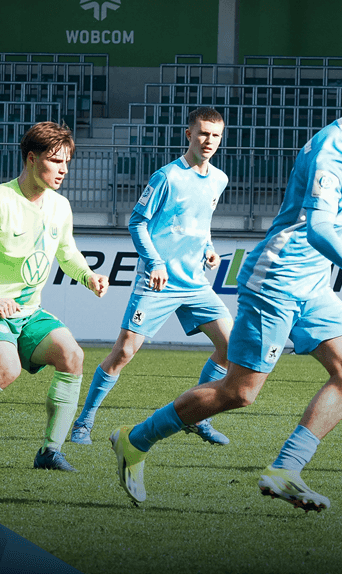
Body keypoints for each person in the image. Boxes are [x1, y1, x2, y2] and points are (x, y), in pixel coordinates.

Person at [108, 57, 342, 510]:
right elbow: (319, 230)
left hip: (311, 285)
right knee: (240, 392)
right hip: (277, 280)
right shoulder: (331, 152)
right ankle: (134, 441)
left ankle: (285, 469)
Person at [71, 107, 233, 446]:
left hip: (194, 283)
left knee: (231, 347)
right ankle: (82, 425)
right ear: (188, 135)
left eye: (215, 135)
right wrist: (155, 262)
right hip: (157, 281)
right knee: (123, 352)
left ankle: (198, 416)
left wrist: (209, 248)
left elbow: (200, 223)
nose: (209, 140)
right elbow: (137, 222)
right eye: (202, 133)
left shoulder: (219, 179)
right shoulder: (167, 176)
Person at [0, 121, 109, 472]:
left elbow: (67, 253)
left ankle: (49, 452)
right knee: (5, 370)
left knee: (72, 356)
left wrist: (88, 276)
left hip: (27, 311)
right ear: (31, 158)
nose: (64, 170)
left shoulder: (60, 207)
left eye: (67, 162)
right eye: (56, 161)